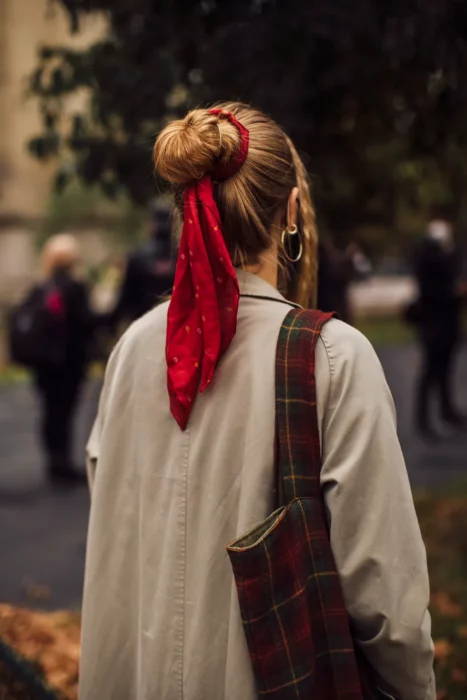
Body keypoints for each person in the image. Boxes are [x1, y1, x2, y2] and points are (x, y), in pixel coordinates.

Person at [79, 104, 435, 700]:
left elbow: (117, 508)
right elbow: (383, 593)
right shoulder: (333, 357)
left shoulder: (134, 347)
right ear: (291, 210)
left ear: (184, 209)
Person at [34, 234, 94, 484]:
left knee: (50, 410)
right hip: (69, 362)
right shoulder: (75, 286)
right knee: (66, 411)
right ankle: (63, 464)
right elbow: (85, 323)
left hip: (45, 363)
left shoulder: (41, 287)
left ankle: (53, 461)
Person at [412, 218, 465, 439]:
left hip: (441, 327)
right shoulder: (433, 262)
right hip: (436, 328)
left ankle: (446, 411)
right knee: (432, 373)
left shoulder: (431, 261)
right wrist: (455, 293)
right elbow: (439, 293)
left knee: (441, 372)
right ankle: (425, 419)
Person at [106, 201, 175, 327]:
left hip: (143, 327)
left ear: (151, 225)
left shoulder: (137, 258)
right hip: (178, 330)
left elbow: (125, 299)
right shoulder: (184, 257)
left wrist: (108, 323)